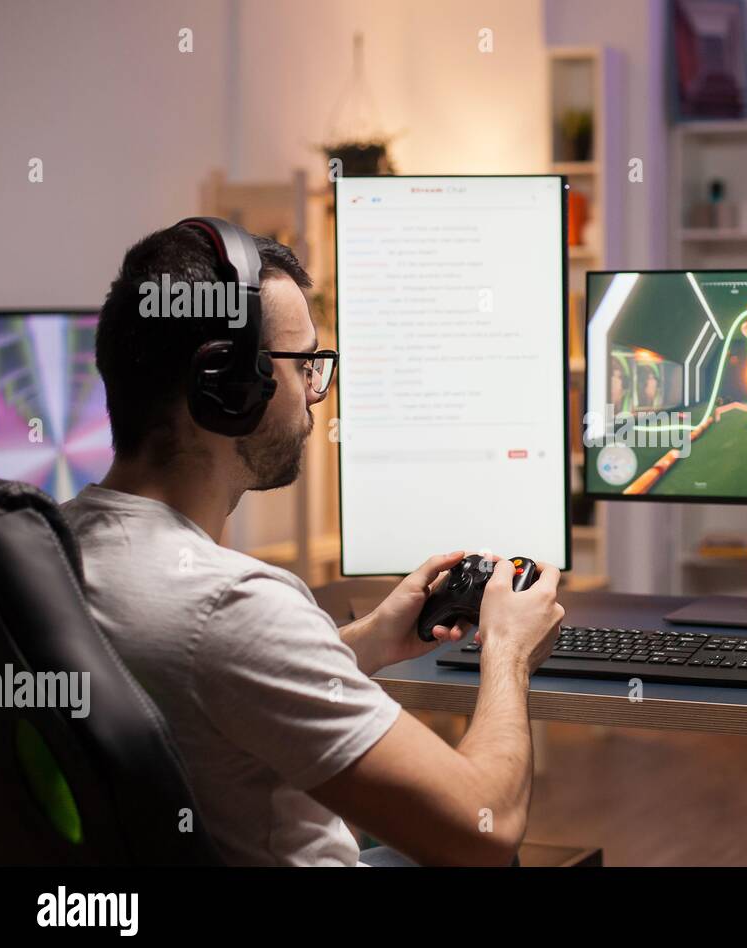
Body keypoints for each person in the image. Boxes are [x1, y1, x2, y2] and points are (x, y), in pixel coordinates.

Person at [61, 221, 563, 865]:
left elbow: (209, 684)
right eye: (307, 366)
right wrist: (508, 653)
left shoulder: (52, 549)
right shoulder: (235, 604)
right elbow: (478, 832)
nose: (316, 398)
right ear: (228, 386)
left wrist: (370, 639)